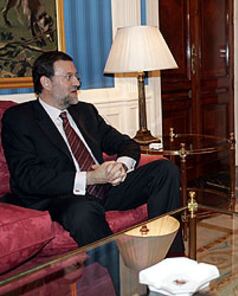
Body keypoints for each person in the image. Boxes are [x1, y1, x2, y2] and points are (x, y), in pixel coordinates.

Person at [1, 51, 182, 250]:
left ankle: (170, 257)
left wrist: (120, 166)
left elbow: (126, 144)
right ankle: (122, 273)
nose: (77, 83)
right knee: (83, 211)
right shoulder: (19, 119)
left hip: (105, 187)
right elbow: (28, 177)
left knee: (165, 170)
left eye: (76, 76)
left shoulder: (85, 112)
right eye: (68, 77)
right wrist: (90, 178)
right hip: (62, 196)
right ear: (46, 82)